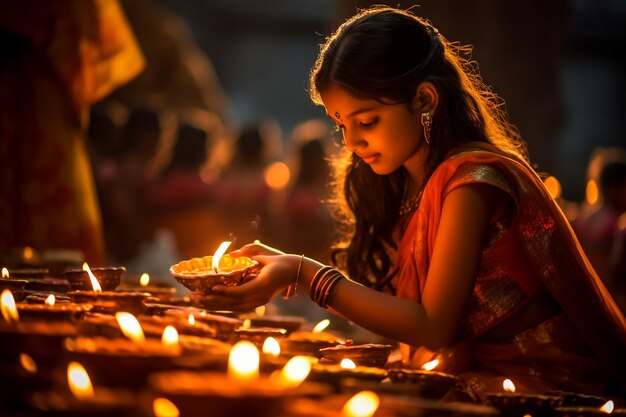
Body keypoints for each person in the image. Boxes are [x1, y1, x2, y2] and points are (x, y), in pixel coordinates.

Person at [193, 6, 626, 401]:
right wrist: (287, 265)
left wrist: (306, 273)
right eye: (340, 124)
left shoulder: (471, 182)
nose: (351, 141)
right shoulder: (411, 186)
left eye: (366, 121)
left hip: (543, 391)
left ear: (423, 100)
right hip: (471, 376)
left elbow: (431, 327)